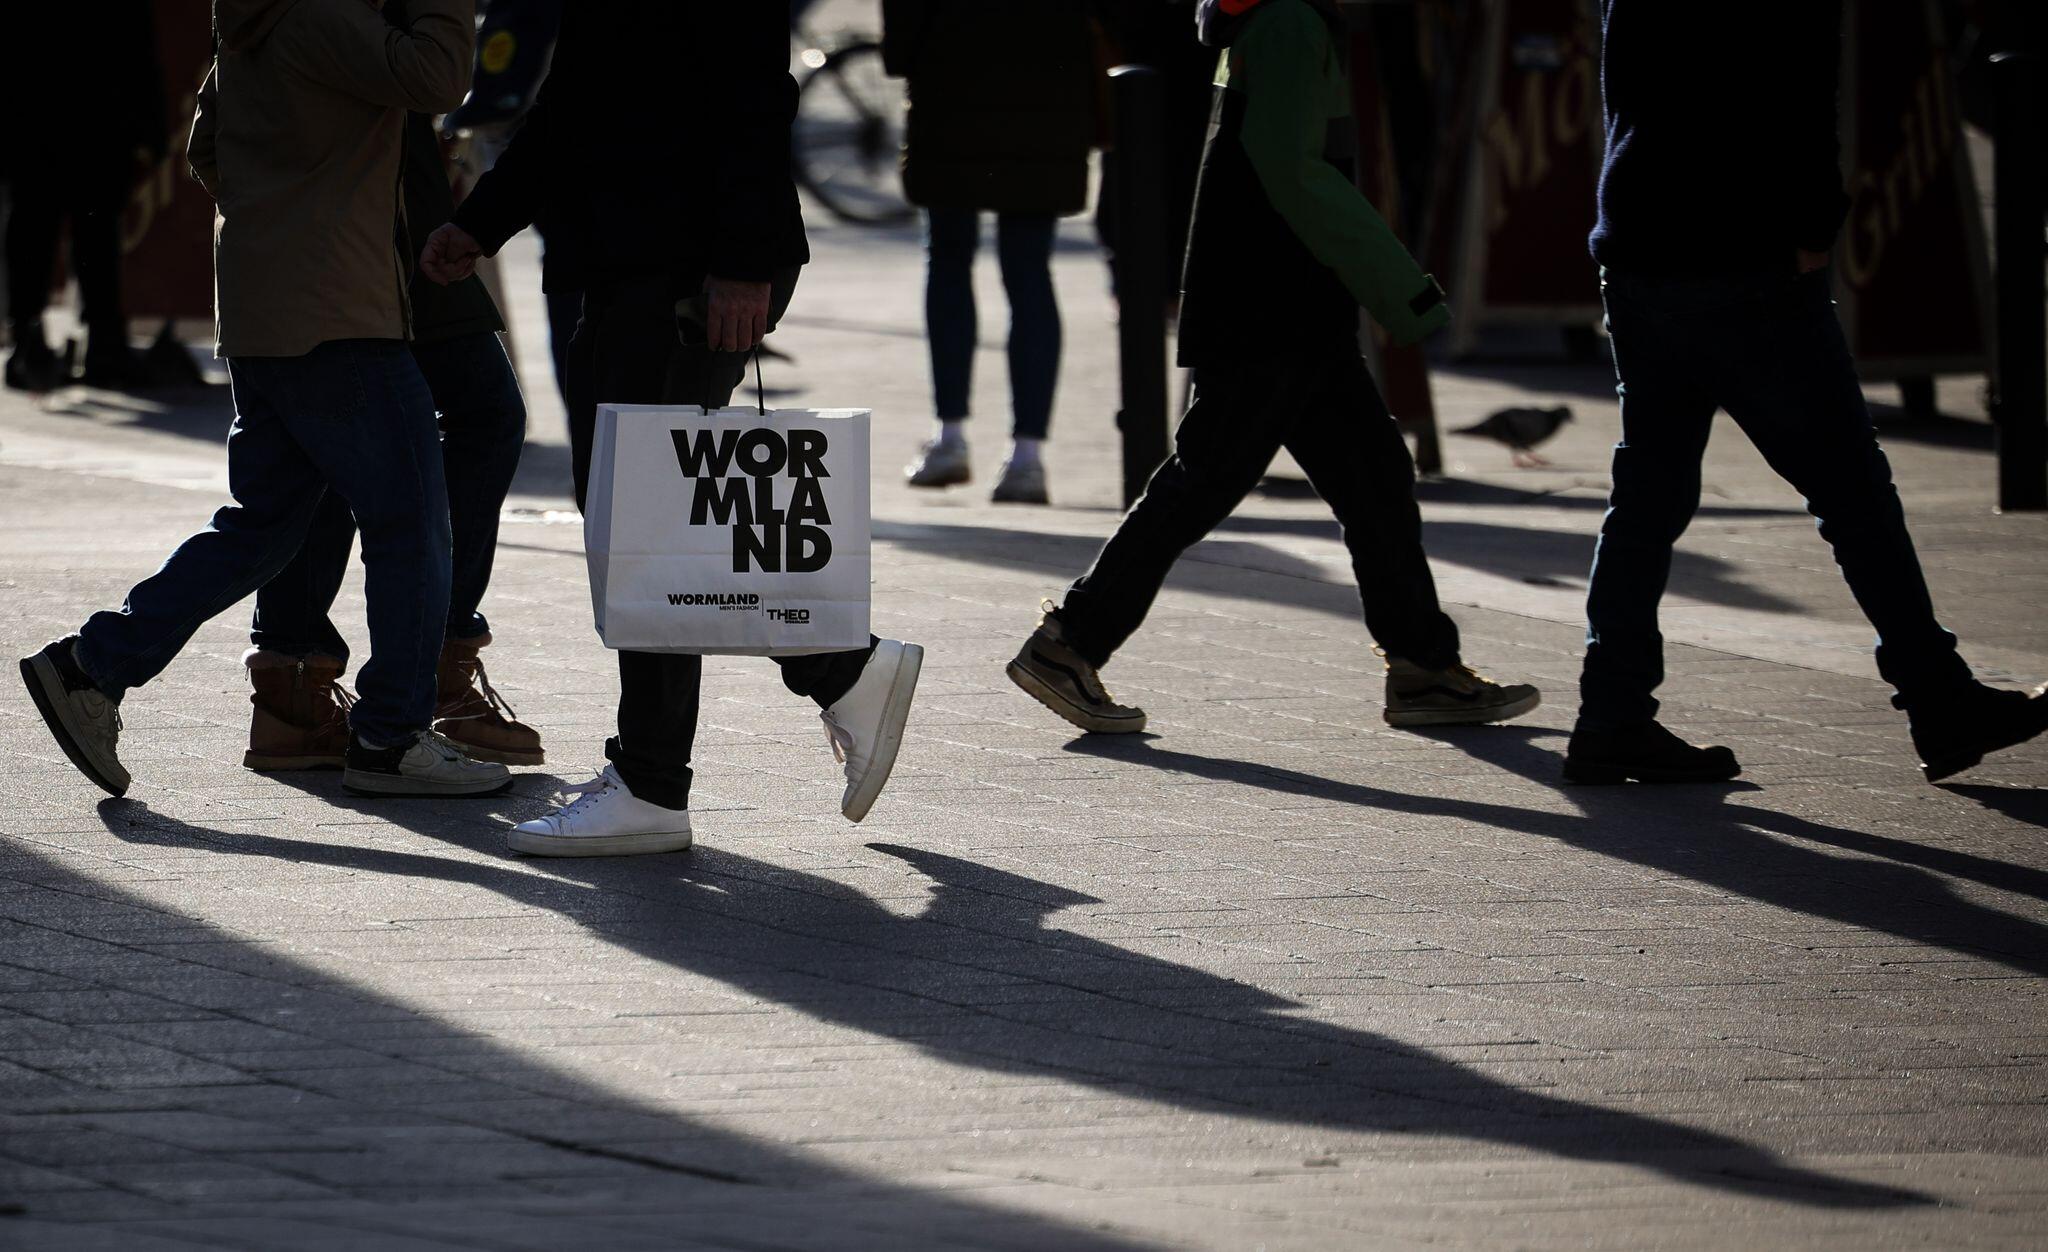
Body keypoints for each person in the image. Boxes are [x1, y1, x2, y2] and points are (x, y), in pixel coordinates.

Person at [419, 1, 924, 856]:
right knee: (636, 516)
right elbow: (578, 99)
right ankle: (837, 670)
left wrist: (741, 261)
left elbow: (752, 92)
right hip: (629, 261)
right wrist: (482, 221)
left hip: (686, 268)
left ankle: (657, 779)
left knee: (641, 523)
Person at [17, 0, 509, 801]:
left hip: (265, 307)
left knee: (264, 526)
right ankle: (391, 736)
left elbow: (206, 147)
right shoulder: (320, 12)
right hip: (337, 309)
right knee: (412, 520)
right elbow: (438, 77)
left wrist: (280, 209)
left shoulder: (251, 19)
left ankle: (90, 666)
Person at [1007, 0, 1540, 735]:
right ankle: (1070, 643)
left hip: (1285, 304)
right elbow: (1295, 172)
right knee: (1205, 482)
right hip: (1271, 306)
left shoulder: (1278, 17)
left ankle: (1424, 666)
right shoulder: (1291, 22)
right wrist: (1399, 287)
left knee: (1374, 480)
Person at [1566, 0, 2047, 785]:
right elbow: (1798, 84)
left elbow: (1627, 74)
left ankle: (1611, 712)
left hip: (1640, 239)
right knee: (1851, 489)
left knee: (1648, 496)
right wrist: (1815, 227)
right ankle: (1937, 693)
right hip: (1743, 247)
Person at [239, 0, 542, 775]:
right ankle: (337, 684)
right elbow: (435, 73)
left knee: (472, 417)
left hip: (390, 197)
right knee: (348, 436)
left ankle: (344, 680)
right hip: (361, 220)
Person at [883, 0, 1096, 505]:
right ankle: (1027, 457)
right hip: (1048, 94)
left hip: (951, 91)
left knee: (949, 260)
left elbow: (900, 43)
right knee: (1029, 271)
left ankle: (950, 435)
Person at [3, 3, 165, 391]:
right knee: (83, 234)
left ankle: (37, 338)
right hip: (88, 118)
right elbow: (136, 47)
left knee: (49, 231)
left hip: (50, 118)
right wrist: (149, 130)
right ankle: (89, 342)